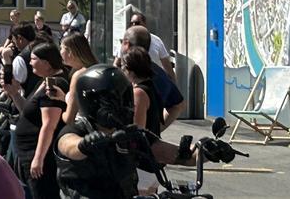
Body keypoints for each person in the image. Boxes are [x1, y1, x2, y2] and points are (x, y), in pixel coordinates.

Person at [53, 64, 235, 199]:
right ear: (94, 102)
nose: (125, 106)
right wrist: (86, 144)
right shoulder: (77, 131)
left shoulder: (129, 135)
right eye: (116, 99)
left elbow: (173, 154)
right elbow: (68, 146)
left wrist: (207, 152)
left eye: (126, 97)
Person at [2, 42, 68, 199]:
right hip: (29, 153)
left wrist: (38, 159)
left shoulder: (54, 84)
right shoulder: (45, 81)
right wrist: (14, 94)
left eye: (33, 59)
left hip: (39, 155)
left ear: (46, 62)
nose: (30, 62)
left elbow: (49, 125)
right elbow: (28, 112)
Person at [116, 25, 184, 131]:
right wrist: (155, 131)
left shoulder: (122, 78)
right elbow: (178, 105)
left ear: (126, 44)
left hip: (131, 143)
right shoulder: (158, 73)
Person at [120, 47, 164, 195]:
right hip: (151, 161)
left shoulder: (138, 93)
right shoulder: (152, 87)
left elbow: (137, 129)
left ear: (130, 70)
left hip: (142, 163)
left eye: (122, 66)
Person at [59, 32, 98, 124]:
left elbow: (69, 118)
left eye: (61, 48)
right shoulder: (96, 68)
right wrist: (64, 97)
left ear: (70, 52)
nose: (60, 52)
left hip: (82, 127)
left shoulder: (78, 76)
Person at [127, 12, 175, 80]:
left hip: (154, 83)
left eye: (137, 23)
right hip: (133, 83)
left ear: (144, 24)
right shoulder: (126, 41)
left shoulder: (156, 40)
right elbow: (117, 63)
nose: (134, 25)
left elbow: (166, 64)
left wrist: (174, 84)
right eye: (132, 23)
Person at [0, 9, 22, 73]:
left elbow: (18, 40)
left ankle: (7, 71)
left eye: (12, 17)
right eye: (10, 17)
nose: (10, 18)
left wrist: (9, 46)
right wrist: (5, 46)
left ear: (17, 17)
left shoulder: (21, 26)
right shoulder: (13, 26)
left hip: (18, 48)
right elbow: (9, 38)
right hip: (11, 46)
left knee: (4, 52)